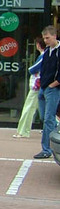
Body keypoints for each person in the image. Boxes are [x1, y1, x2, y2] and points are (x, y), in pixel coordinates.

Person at [34, 25, 60, 159]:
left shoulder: (58, 51)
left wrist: (52, 85)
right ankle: (55, 138)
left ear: (55, 36)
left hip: (52, 89)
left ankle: (47, 149)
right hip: (44, 88)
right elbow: (43, 68)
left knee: (48, 119)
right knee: (45, 117)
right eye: (44, 38)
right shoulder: (48, 51)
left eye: (47, 38)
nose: (45, 41)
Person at [13, 37, 45, 138]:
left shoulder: (43, 56)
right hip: (42, 85)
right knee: (46, 109)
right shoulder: (46, 55)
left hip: (37, 85)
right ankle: (51, 129)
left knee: (29, 107)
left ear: (38, 45)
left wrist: (30, 69)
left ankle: (23, 131)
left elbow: (33, 69)